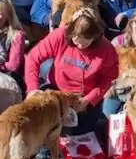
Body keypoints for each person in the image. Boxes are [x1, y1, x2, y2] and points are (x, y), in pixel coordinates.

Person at [23, 9, 118, 140]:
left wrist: (89, 100)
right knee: (45, 126)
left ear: (95, 37)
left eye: (85, 42)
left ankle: (98, 125)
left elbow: (109, 77)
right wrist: (32, 88)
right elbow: (33, 57)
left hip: (84, 96)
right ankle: (44, 150)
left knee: (83, 140)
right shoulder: (60, 35)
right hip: (58, 90)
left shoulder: (106, 49)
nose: (79, 45)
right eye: (76, 41)